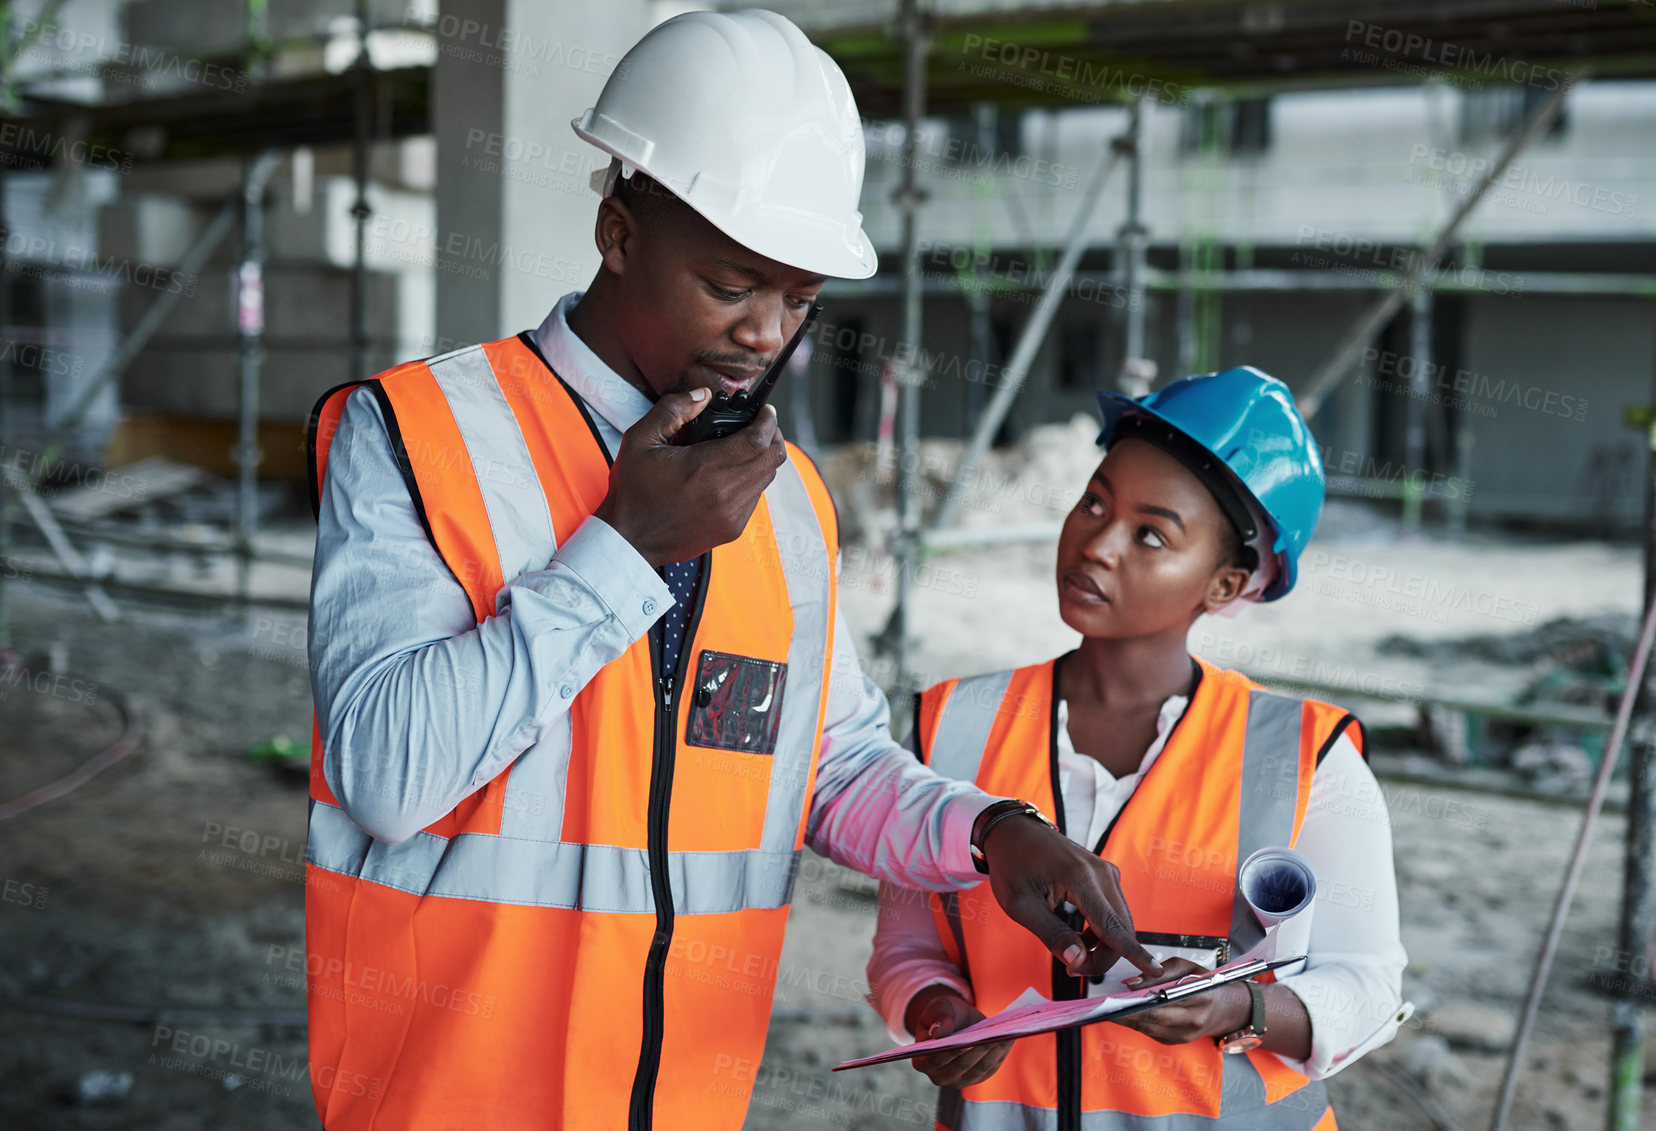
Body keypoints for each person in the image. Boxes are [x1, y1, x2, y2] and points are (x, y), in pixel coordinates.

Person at [299, 10, 1157, 1131]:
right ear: (617, 232)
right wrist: (625, 547)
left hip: (685, 1102)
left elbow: (827, 767)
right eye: (731, 284)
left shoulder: (788, 497)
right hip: (443, 1103)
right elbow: (385, 774)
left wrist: (995, 832)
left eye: (799, 300)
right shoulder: (417, 435)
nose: (765, 334)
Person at [867, 368, 1411, 1130]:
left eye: (1150, 534)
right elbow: (907, 943)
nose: (1096, 543)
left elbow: (1367, 986)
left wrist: (1240, 1006)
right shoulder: (951, 724)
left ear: (1223, 584)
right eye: (1093, 502)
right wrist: (931, 1009)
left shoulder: (1304, 757)